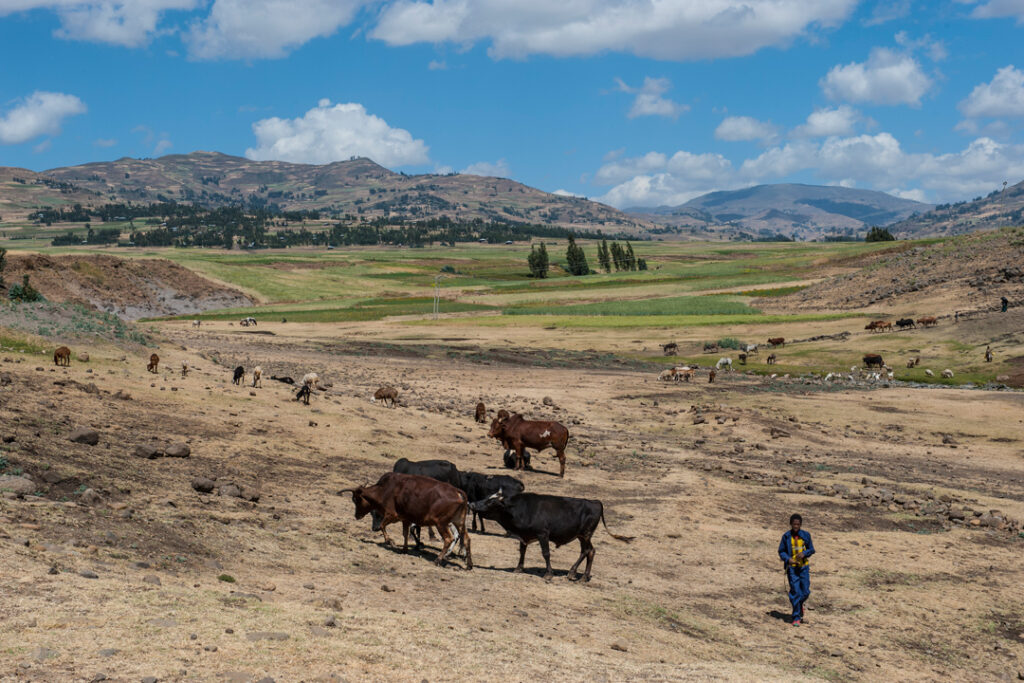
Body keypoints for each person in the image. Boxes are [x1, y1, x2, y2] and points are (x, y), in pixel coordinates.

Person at [778, 513, 815, 626]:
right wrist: (788, 559)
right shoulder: (786, 536)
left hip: (804, 568)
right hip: (792, 569)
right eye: (794, 524)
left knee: (805, 591)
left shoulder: (806, 535)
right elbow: (781, 551)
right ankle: (796, 617)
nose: (796, 526)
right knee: (795, 591)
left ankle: (799, 606)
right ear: (791, 524)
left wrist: (804, 553)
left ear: (800, 525)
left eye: (798, 524)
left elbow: (812, 549)